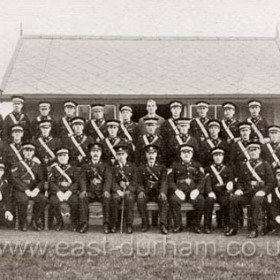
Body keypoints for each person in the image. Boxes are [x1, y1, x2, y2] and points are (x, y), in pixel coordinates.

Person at [226, 142, 274, 238]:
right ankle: (233, 227)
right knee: (233, 198)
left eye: (255, 150)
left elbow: (271, 182)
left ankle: (254, 228)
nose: (253, 152)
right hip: (247, 193)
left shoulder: (265, 165)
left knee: (256, 200)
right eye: (251, 150)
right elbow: (240, 181)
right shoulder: (244, 165)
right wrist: (239, 189)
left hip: (260, 194)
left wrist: (264, 191)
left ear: (259, 151)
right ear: (248, 151)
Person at [168, 144, 205, 233]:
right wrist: (176, 190)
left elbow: (202, 180)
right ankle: (178, 225)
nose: (186, 155)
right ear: (180, 154)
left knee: (201, 200)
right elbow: (170, 180)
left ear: (192, 154)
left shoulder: (197, 165)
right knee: (173, 200)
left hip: (193, 191)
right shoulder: (174, 165)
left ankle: (196, 225)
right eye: (184, 152)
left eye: (189, 153)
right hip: (180, 191)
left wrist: (197, 190)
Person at [12, 143, 46, 231]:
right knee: (23, 200)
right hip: (21, 189)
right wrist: (25, 189)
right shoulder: (17, 164)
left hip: (33, 189)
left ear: (33, 153)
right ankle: (23, 222)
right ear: (23, 152)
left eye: (30, 151)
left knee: (42, 199)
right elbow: (15, 179)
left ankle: (35, 220)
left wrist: (36, 189)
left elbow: (41, 180)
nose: (28, 153)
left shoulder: (37, 165)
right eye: (26, 150)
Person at [78, 143, 112, 234]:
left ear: (101, 153)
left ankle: (106, 224)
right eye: (93, 151)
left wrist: (106, 190)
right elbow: (82, 179)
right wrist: (84, 190)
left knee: (107, 198)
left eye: (97, 151)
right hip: (90, 191)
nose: (95, 153)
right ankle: (84, 223)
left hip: (101, 191)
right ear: (90, 153)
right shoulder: (85, 166)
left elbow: (108, 179)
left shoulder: (105, 165)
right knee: (82, 197)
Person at [137, 144, 169, 234]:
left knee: (163, 200)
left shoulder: (162, 167)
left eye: (153, 153)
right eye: (149, 153)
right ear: (146, 155)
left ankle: (163, 224)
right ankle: (145, 223)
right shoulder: (141, 167)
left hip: (157, 192)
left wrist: (162, 192)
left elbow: (164, 181)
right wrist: (141, 191)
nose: (151, 155)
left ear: (156, 154)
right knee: (140, 200)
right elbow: (138, 181)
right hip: (146, 192)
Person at [48, 148, 80, 231]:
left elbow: (76, 182)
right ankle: (59, 222)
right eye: (60, 156)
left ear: (68, 157)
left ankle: (73, 222)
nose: (62, 158)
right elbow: (51, 182)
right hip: (57, 192)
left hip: (70, 192)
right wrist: (58, 192)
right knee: (53, 201)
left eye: (64, 156)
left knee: (75, 202)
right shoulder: (53, 169)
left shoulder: (74, 168)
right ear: (57, 158)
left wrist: (69, 192)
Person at [204, 147, 234, 233]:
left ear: (223, 157)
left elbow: (231, 181)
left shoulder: (228, 168)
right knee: (209, 201)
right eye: (216, 155)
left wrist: (230, 186)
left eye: (220, 155)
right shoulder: (208, 169)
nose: (218, 157)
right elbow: (207, 181)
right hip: (212, 192)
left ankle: (226, 224)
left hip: (223, 192)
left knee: (226, 201)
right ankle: (207, 225)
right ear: (213, 157)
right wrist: (209, 192)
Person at [111, 144, 137, 234]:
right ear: (116, 156)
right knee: (114, 198)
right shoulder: (113, 167)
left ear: (126, 155)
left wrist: (128, 189)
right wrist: (118, 190)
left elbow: (135, 181)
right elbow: (112, 181)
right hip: (118, 191)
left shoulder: (132, 166)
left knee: (130, 199)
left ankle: (129, 224)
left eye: (122, 154)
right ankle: (114, 224)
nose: (121, 156)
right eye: (118, 154)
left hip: (129, 191)